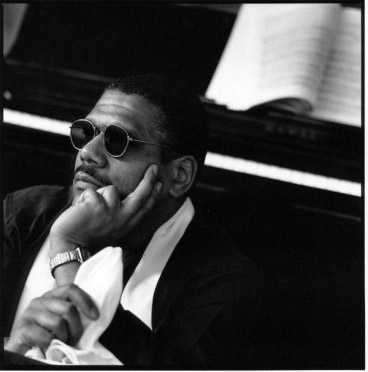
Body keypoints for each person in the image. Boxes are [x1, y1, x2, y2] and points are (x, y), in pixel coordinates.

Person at [3, 74, 262, 367]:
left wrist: (69, 251)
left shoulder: (224, 281)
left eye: (117, 141)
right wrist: (14, 349)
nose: (87, 152)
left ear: (178, 176)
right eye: (85, 132)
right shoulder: (22, 214)